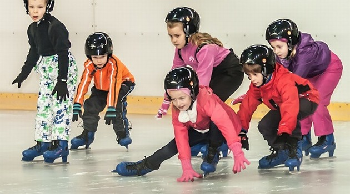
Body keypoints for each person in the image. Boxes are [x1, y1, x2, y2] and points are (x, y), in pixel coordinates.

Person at [115, 7, 246, 176]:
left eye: (176, 36)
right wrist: (166, 101)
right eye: (170, 36)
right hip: (209, 76)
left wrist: (237, 151)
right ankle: (202, 139)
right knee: (197, 107)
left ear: (188, 31)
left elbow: (203, 84)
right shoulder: (180, 50)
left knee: (209, 103)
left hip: (230, 72)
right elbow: (173, 78)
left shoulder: (205, 49)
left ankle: (213, 149)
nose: (173, 40)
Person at [117, 67, 250, 180]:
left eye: (182, 98)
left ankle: (212, 151)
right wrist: (187, 168)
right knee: (170, 147)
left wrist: (237, 152)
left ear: (192, 93)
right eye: (173, 99)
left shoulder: (207, 100)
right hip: (201, 129)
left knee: (216, 124)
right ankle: (146, 165)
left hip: (226, 132)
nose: (178, 103)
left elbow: (225, 124)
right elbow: (181, 139)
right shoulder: (177, 108)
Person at [266, 19, 343, 158]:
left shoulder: (305, 52)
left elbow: (292, 82)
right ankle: (303, 137)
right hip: (309, 72)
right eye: (273, 48)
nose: (276, 51)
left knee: (315, 100)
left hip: (329, 68)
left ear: (290, 43)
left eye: (279, 46)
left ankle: (327, 139)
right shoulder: (282, 54)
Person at [12, 0, 78, 163]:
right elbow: (34, 52)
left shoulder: (55, 27)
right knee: (44, 106)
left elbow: (63, 53)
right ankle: (43, 143)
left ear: (48, 6)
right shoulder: (32, 28)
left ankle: (61, 144)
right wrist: (23, 74)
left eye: (39, 7)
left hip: (63, 69)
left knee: (60, 106)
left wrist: (62, 81)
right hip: (47, 70)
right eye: (31, 7)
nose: (35, 11)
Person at [237, 44, 319, 171]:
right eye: (249, 75)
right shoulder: (258, 85)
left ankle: (294, 149)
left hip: (307, 99)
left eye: (255, 74)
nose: (252, 79)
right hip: (285, 104)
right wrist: (241, 131)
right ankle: (282, 152)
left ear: (265, 70)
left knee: (291, 114)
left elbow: (290, 106)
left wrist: (285, 132)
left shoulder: (284, 80)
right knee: (265, 125)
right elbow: (247, 107)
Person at [70, 32, 135, 150]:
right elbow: (84, 83)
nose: (99, 61)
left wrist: (110, 107)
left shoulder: (114, 64)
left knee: (116, 106)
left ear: (108, 54)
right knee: (90, 105)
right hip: (101, 87)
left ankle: (122, 133)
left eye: (102, 57)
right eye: (95, 58)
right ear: (90, 57)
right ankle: (87, 135)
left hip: (122, 83)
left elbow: (114, 86)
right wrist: (77, 103)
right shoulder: (89, 64)